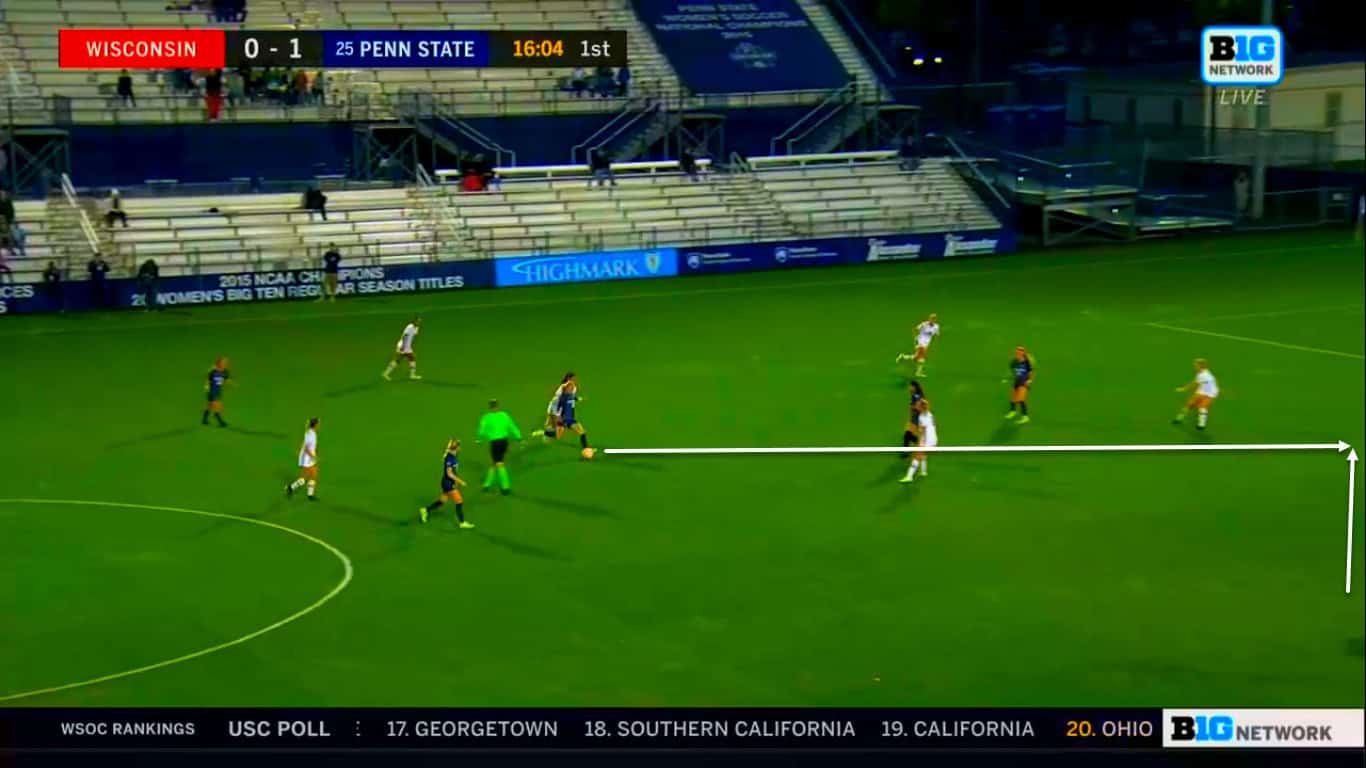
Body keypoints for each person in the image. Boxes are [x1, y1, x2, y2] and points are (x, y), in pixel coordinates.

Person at [419, 439, 474, 529]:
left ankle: (425, 510)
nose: (460, 448)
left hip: (448, 482)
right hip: (448, 483)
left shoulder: (451, 455)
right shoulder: (450, 459)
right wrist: (460, 481)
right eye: (458, 446)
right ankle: (462, 523)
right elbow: (449, 474)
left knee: (442, 501)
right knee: (459, 501)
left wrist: (456, 482)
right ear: (456, 448)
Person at [477, 399, 523, 495]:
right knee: (495, 462)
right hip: (504, 442)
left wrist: (479, 439)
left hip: (495, 443)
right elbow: (512, 426)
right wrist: (519, 437)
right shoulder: (504, 415)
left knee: (499, 464)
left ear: (490, 407)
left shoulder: (487, 417)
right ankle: (487, 485)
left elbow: (482, 430)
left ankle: (505, 487)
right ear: (498, 406)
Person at [551, 374, 592, 456]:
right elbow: (556, 408)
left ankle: (586, 449)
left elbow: (573, 398)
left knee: (559, 436)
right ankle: (586, 449)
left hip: (570, 418)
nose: (572, 388)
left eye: (572, 387)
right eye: (570, 387)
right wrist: (558, 418)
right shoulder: (562, 398)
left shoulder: (571, 395)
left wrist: (578, 399)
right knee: (581, 432)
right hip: (566, 419)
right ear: (566, 389)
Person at [1173, 358, 1219, 431]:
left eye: (1196, 365)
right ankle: (1179, 418)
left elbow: (1195, 384)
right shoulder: (1201, 373)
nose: (1195, 367)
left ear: (1200, 366)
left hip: (1210, 393)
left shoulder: (1204, 375)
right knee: (1189, 404)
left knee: (1203, 407)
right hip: (1202, 391)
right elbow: (1196, 382)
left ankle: (1201, 425)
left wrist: (1184, 388)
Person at [900, 399, 937, 484]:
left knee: (916, 456)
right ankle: (923, 471)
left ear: (921, 407)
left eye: (917, 405)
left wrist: (921, 442)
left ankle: (909, 476)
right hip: (933, 439)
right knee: (923, 454)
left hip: (927, 440)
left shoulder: (922, 417)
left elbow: (922, 431)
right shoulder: (930, 414)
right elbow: (934, 426)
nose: (915, 406)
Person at [285, 418, 320, 501]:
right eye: (318, 423)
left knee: (311, 475)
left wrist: (314, 453)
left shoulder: (311, 433)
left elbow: (308, 446)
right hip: (307, 459)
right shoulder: (310, 434)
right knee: (309, 476)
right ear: (315, 425)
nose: (319, 425)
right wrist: (313, 456)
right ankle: (307, 494)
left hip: (309, 458)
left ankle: (292, 488)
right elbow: (306, 448)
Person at [896, 313, 940, 377]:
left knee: (916, 358)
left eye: (934, 319)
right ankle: (918, 372)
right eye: (931, 319)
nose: (932, 320)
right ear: (929, 319)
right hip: (920, 341)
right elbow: (916, 329)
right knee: (922, 357)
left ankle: (903, 357)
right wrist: (916, 338)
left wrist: (937, 335)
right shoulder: (924, 324)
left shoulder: (936, 326)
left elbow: (937, 334)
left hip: (927, 343)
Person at [1004, 345, 1035, 424]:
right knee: (1012, 398)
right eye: (1017, 351)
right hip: (1017, 381)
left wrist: (1029, 380)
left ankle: (1025, 417)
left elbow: (1031, 372)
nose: (1018, 353)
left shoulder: (1027, 362)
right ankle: (1012, 412)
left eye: (1020, 351)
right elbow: (1011, 370)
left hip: (1024, 382)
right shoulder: (1014, 361)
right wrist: (1008, 378)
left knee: (1021, 399)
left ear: (1023, 353)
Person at [202, 357, 233, 427]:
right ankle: (220, 421)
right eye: (223, 363)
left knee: (210, 406)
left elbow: (226, 379)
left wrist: (232, 384)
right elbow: (208, 380)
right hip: (212, 391)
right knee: (218, 406)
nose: (225, 364)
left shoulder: (225, 372)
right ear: (219, 363)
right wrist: (207, 387)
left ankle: (204, 419)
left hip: (218, 391)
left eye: (225, 363)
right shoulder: (213, 372)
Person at [901, 380, 926, 457]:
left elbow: (919, 407)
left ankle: (918, 445)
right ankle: (906, 451)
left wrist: (913, 407)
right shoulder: (915, 395)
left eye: (911, 386)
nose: (909, 388)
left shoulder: (917, 396)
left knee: (907, 435)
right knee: (907, 435)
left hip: (917, 419)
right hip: (914, 418)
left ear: (914, 387)